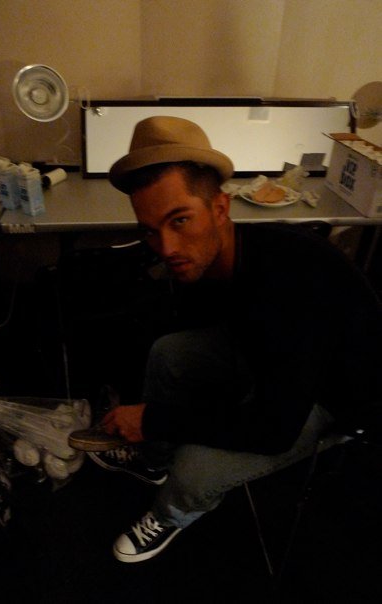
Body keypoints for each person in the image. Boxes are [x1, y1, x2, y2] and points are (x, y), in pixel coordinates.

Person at [74, 116, 382, 563]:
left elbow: (274, 432)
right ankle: (154, 461)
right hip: (271, 359)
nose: (167, 247)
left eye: (180, 220)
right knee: (168, 354)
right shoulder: (217, 255)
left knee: (195, 468)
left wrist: (155, 419)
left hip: (337, 396)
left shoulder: (290, 284)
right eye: (151, 230)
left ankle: (171, 512)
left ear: (220, 208)